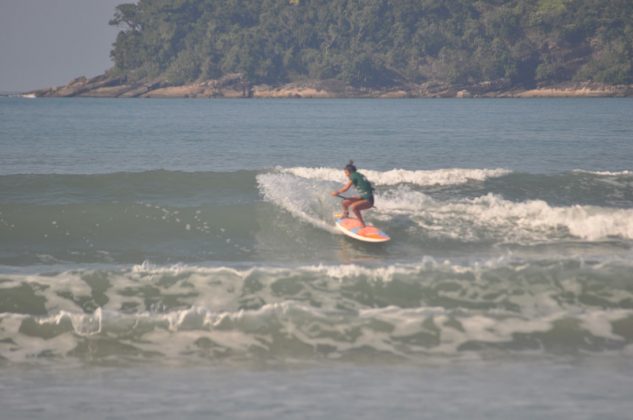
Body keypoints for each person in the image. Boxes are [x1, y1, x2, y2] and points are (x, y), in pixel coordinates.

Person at [331, 160, 374, 227]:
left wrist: (337, 192)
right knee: (345, 202)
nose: (345, 174)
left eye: (346, 172)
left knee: (354, 207)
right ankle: (346, 214)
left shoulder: (353, 176)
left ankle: (363, 224)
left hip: (368, 200)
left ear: (349, 172)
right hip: (363, 197)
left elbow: (346, 188)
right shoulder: (357, 174)